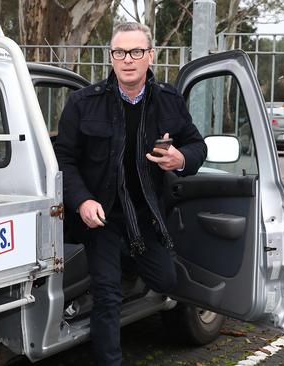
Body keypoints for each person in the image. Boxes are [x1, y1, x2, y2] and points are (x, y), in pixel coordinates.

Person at [53, 22, 207, 365]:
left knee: (165, 279)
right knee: (107, 295)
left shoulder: (169, 101)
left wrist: (181, 158)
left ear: (150, 56)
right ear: (111, 57)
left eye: (136, 52)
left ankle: (123, 258)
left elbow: (197, 146)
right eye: (120, 52)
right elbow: (64, 159)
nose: (127, 60)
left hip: (145, 216)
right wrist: (81, 200)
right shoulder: (82, 103)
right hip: (102, 217)